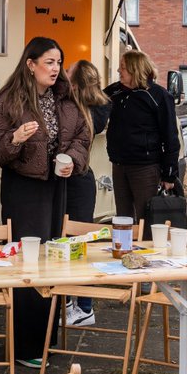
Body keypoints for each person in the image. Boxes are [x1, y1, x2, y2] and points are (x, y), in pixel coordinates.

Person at [0, 36, 91, 369]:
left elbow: (82, 136)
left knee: (52, 262)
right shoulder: (8, 101)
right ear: (30, 65)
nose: (56, 69)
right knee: (28, 265)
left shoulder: (66, 98)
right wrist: (14, 139)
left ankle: (46, 340)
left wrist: (73, 158)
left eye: (59, 62)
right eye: (49, 62)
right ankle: (25, 345)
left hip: (57, 187)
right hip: (24, 190)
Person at [61, 60, 112, 328]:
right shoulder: (99, 108)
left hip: (77, 182)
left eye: (68, 75)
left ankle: (84, 306)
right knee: (71, 244)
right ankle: (72, 302)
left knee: (77, 245)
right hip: (82, 181)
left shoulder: (82, 113)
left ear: (77, 84)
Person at [103, 50, 179, 222]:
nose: (118, 71)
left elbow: (170, 137)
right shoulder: (115, 91)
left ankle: (148, 247)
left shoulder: (159, 96)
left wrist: (169, 174)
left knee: (147, 218)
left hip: (145, 167)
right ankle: (124, 247)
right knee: (123, 217)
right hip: (119, 163)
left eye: (122, 68)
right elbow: (93, 99)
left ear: (134, 69)